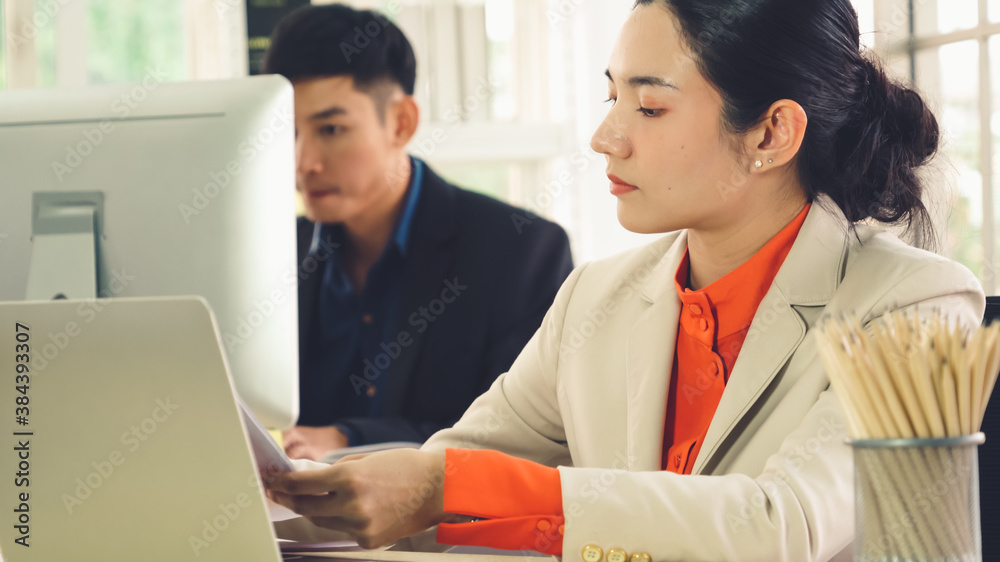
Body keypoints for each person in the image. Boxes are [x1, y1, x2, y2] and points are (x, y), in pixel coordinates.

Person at [265, 1, 986, 560]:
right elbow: (450, 477)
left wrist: (439, 486)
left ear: (770, 134)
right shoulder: (597, 298)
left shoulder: (917, 307)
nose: (606, 137)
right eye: (612, 97)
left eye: (650, 105)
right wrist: (290, 500)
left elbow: (783, 527)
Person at [261, 5, 574, 459]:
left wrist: (350, 438)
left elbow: (522, 440)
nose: (303, 161)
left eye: (331, 129)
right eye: (287, 133)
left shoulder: (521, 253)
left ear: (402, 123)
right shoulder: (274, 255)